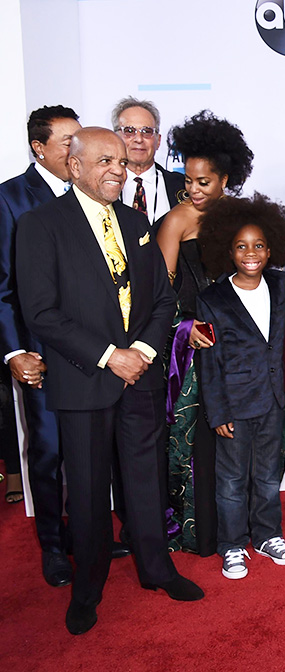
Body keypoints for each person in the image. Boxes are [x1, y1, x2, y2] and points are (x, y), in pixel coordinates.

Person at [17, 127, 203, 635]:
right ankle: (88, 588)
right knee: (90, 489)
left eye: (121, 161)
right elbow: (41, 311)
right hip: (84, 381)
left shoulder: (137, 222)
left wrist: (140, 352)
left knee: (146, 481)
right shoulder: (40, 225)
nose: (117, 170)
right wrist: (108, 357)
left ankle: (157, 568)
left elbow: (163, 298)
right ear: (74, 167)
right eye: (104, 161)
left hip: (139, 378)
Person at [156, 110, 254, 555]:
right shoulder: (175, 221)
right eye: (189, 181)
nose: (194, 190)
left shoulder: (240, 219)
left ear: (225, 179)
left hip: (233, 346)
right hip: (191, 347)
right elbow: (159, 292)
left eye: (204, 182)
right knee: (194, 437)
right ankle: (196, 530)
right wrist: (185, 325)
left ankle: (241, 526)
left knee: (237, 436)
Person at [196, 194, 285, 579]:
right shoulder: (212, 299)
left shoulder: (283, 283)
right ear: (229, 250)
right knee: (233, 480)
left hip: (275, 401)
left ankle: (268, 535)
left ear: (271, 249)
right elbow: (209, 360)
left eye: (258, 245)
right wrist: (217, 411)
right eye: (241, 246)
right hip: (234, 405)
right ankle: (233, 544)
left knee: (269, 476)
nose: (250, 253)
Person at [0, 105, 81, 586]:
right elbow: (4, 286)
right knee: (48, 452)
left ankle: (84, 534)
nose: (78, 150)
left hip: (90, 351)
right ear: (39, 148)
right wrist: (15, 352)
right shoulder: (10, 198)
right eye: (68, 142)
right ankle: (53, 546)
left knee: (86, 451)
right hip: (39, 356)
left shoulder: (90, 192)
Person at [111, 97, 185, 227]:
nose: (138, 139)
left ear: (158, 141)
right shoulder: (100, 186)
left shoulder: (183, 186)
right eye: (129, 131)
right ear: (114, 138)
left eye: (147, 132)